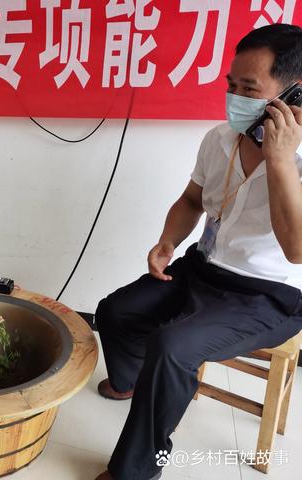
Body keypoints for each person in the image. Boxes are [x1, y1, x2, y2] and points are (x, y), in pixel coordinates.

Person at [94, 24, 302, 480]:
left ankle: (136, 470)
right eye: (232, 85)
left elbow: (296, 250)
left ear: (295, 94)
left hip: (270, 295)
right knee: (114, 311)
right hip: (203, 267)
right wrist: (168, 240)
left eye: (249, 88)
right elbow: (191, 201)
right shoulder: (220, 139)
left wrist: (281, 160)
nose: (235, 97)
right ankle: (133, 384)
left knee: (172, 348)